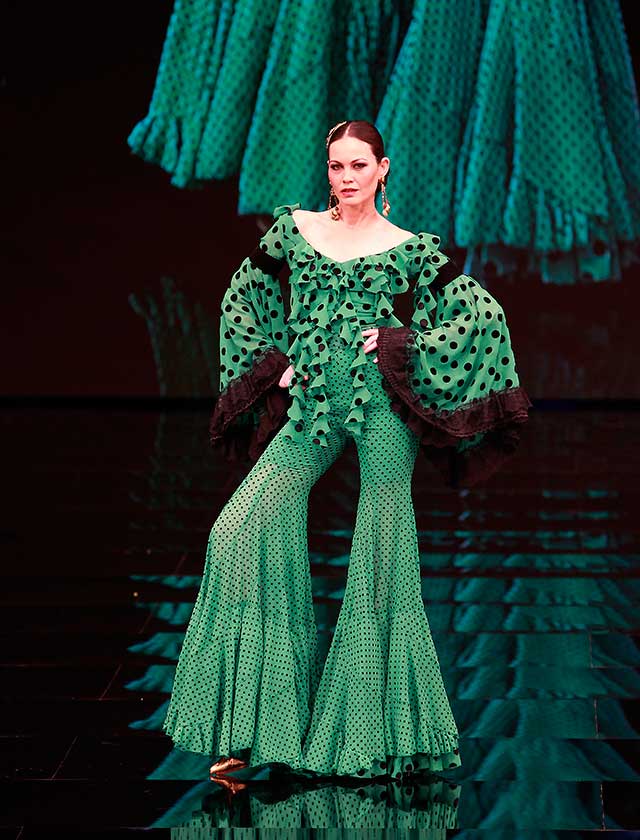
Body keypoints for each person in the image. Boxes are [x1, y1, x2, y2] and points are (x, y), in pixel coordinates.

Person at [162, 120, 532, 782]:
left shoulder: (409, 248)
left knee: (383, 558)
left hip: (381, 407)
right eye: (336, 166)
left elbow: (482, 317)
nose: (347, 177)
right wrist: (274, 366)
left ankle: (377, 736)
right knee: (237, 531)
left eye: (359, 165)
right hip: (313, 409)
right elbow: (240, 297)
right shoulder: (295, 230)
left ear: (382, 169)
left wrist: (401, 343)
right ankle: (255, 725)